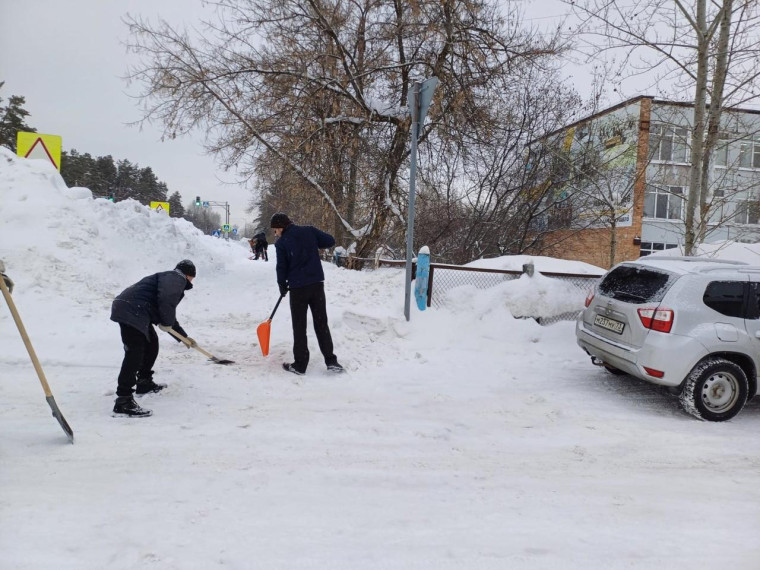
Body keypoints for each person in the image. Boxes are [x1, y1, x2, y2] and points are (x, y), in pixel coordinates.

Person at [109, 260, 197, 417]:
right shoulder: (176, 278)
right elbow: (166, 303)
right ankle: (123, 400)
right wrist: (167, 323)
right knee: (135, 352)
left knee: (151, 344)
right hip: (132, 309)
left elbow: (165, 311)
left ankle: (144, 382)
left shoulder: (169, 278)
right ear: (189, 275)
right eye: (192, 278)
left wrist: (183, 337)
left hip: (134, 308)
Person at [271, 212, 344, 375]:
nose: (275, 233)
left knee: (299, 326)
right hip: (316, 285)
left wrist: (281, 285)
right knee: (321, 323)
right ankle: (332, 361)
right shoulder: (309, 231)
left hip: (298, 289)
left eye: (275, 230)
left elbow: (281, 267)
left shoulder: (282, 243)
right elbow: (330, 241)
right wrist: (312, 243)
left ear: (281, 227)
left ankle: (300, 364)